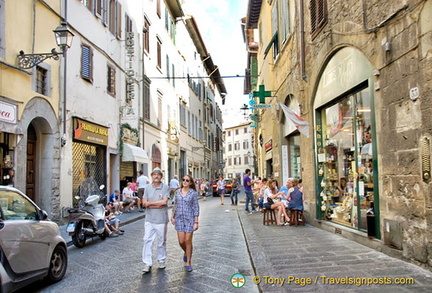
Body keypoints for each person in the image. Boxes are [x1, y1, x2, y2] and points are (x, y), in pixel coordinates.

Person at [141, 167, 170, 274]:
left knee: (161, 241)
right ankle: (147, 263)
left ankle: (161, 260)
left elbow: (164, 202)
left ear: (161, 177)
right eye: (154, 174)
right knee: (147, 240)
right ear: (152, 176)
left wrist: (150, 204)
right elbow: (144, 202)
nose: (156, 176)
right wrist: (156, 203)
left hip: (161, 219)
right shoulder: (147, 187)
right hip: (149, 219)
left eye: (158, 174)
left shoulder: (165, 187)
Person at [170, 174, 200, 272]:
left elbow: (196, 207)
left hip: (189, 219)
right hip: (179, 218)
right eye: (183, 180)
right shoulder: (177, 192)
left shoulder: (193, 193)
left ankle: (188, 262)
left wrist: (196, 221)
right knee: (181, 241)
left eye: (187, 180)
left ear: (190, 182)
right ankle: (186, 252)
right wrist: (172, 216)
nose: (185, 182)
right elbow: (174, 205)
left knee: (188, 240)